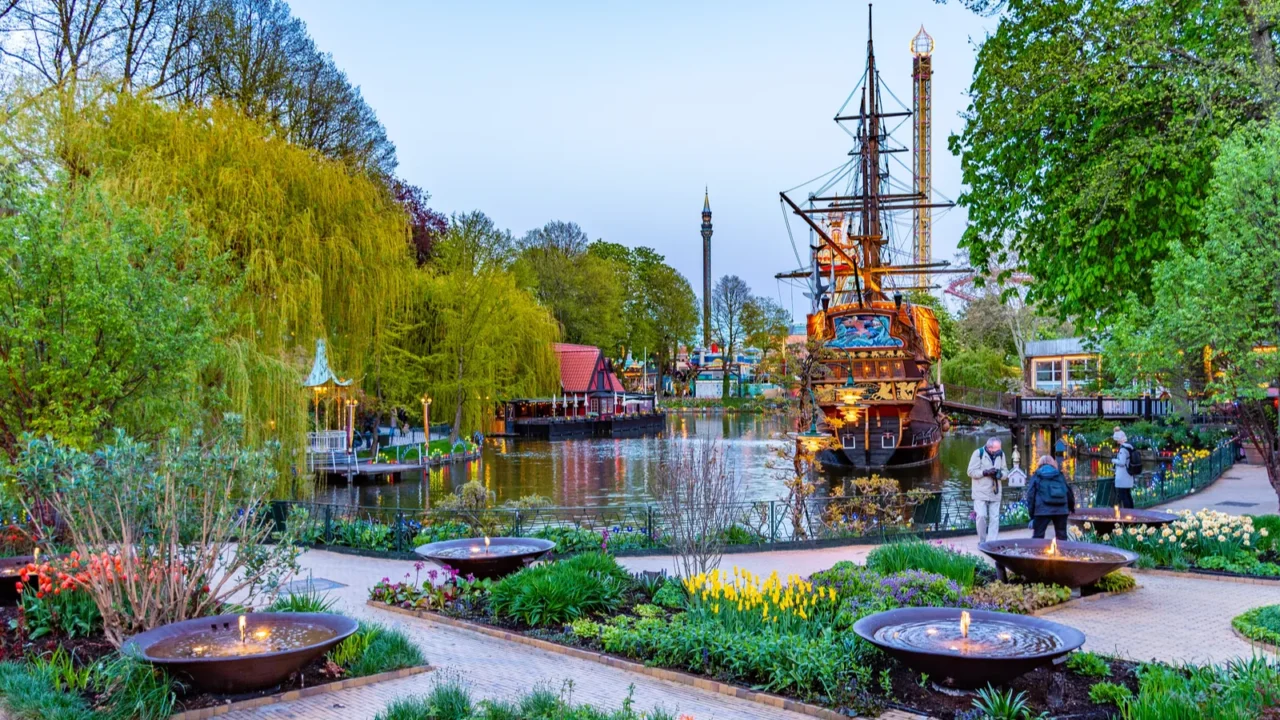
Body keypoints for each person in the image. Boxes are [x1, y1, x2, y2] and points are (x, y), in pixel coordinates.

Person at [967, 437, 1007, 543]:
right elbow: (970, 472)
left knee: (994, 518)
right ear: (989, 448)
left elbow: (1005, 471)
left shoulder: (1001, 454)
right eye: (997, 448)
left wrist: (1000, 474)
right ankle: (982, 540)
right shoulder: (978, 453)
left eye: (1000, 448)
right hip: (980, 491)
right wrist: (985, 472)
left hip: (995, 491)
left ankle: (992, 542)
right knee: (981, 516)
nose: (999, 450)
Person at [1025, 455, 1076, 540]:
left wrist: (1032, 515)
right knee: (1062, 537)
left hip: (1042, 510)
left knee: (1038, 537)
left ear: (1040, 464)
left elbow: (1030, 495)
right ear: (1053, 463)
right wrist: (1071, 508)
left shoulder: (1037, 475)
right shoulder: (1059, 475)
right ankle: (1062, 552)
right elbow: (1068, 492)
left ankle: (1038, 553)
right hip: (1061, 509)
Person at [1113, 428, 1135, 509]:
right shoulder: (1130, 447)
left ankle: (1127, 514)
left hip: (1123, 476)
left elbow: (1122, 462)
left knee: (1123, 496)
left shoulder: (1123, 449)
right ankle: (1132, 512)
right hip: (1129, 474)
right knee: (1128, 495)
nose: (1116, 442)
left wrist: (1113, 460)